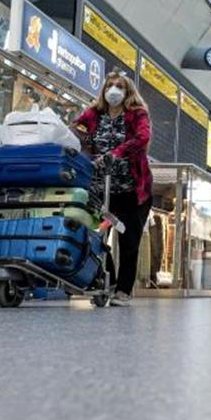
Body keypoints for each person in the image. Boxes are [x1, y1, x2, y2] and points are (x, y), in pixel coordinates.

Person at [73, 73, 153, 306]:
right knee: (96, 236)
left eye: (119, 86)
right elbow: (76, 128)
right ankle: (106, 281)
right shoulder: (94, 113)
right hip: (100, 188)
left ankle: (124, 291)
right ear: (104, 90)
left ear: (127, 92)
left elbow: (142, 136)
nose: (114, 90)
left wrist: (115, 154)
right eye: (110, 85)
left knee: (129, 240)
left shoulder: (137, 114)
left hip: (132, 190)